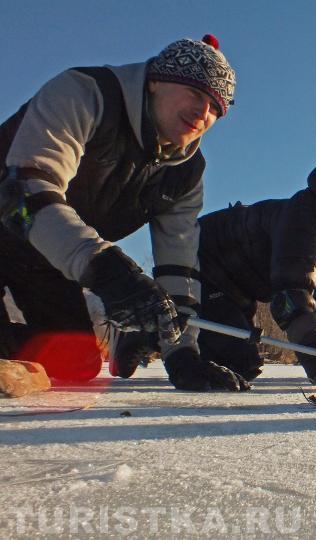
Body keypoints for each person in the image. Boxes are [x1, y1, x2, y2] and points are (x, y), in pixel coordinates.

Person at [0, 35, 236, 383]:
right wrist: (106, 270)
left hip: (44, 261)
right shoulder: (85, 93)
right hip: (15, 223)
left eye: (217, 108)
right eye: (196, 94)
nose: (204, 113)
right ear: (156, 81)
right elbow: (25, 194)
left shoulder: (185, 174)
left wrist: (181, 353)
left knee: (74, 362)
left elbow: (179, 266)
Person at [113, 143, 316, 391]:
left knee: (242, 366)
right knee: (236, 360)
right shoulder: (305, 214)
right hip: (207, 264)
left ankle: (165, 333)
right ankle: (145, 331)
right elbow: (292, 293)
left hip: (244, 287)